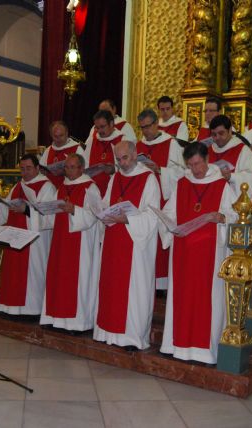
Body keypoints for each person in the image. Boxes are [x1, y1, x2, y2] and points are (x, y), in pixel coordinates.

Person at [159, 142, 238, 364]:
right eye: (191, 165)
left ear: (207, 159)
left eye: (199, 163)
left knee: (206, 301)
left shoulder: (221, 185)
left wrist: (221, 218)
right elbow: (169, 212)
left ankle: (205, 352)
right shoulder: (182, 184)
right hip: (183, 251)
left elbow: (235, 216)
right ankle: (178, 347)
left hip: (209, 253)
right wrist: (170, 224)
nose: (196, 170)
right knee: (183, 298)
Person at [93, 140, 160, 350]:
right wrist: (103, 212)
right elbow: (105, 203)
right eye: (118, 159)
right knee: (111, 287)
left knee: (134, 292)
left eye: (125, 158)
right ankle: (108, 333)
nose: (122, 163)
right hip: (114, 241)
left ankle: (132, 338)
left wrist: (128, 220)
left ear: (135, 154)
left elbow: (153, 215)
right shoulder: (115, 178)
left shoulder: (149, 179)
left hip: (135, 246)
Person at [41, 154, 100, 331]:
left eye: (73, 167)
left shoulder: (91, 188)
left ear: (82, 168)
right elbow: (51, 217)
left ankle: (77, 324)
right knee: (58, 277)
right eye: (66, 167)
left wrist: (74, 209)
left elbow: (95, 215)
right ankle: (57, 319)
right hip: (60, 240)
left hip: (80, 242)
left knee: (77, 280)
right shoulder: (61, 187)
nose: (69, 171)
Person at [0, 154, 55, 315]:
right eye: (22, 169)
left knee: (32, 274)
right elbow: (5, 212)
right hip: (15, 237)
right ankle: (11, 308)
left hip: (35, 241)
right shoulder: (17, 186)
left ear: (37, 168)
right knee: (13, 273)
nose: (25, 172)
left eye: (29, 168)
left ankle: (31, 311)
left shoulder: (46, 187)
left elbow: (49, 215)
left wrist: (27, 210)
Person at [136, 108, 185, 290]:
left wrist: (160, 170)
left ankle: (161, 284)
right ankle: (146, 279)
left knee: (160, 237)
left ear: (157, 124)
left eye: (148, 126)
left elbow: (182, 172)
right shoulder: (138, 146)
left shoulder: (171, 144)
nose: (146, 131)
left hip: (163, 197)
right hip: (143, 199)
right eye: (142, 128)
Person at [208, 115, 252, 198]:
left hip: (232, 202)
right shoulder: (208, 150)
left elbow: (251, 177)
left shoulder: (243, 150)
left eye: (221, 133)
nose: (217, 138)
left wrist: (231, 176)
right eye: (214, 134)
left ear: (230, 130)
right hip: (211, 199)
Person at [83, 110, 124, 196]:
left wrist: (113, 169)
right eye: (97, 128)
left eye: (102, 127)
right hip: (94, 191)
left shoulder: (122, 140)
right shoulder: (91, 141)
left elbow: (128, 167)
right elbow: (85, 164)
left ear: (112, 123)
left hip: (115, 190)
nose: (100, 131)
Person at [39, 120, 85, 188]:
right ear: (51, 135)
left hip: (71, 187)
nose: (58, 139)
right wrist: (43, 172)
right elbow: (41, 171)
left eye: (61, 135)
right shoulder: (48, 150)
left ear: (67, 133)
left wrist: (65, 172)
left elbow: (83, 171)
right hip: (50, 189)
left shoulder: (77, 149)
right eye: (55, 136)